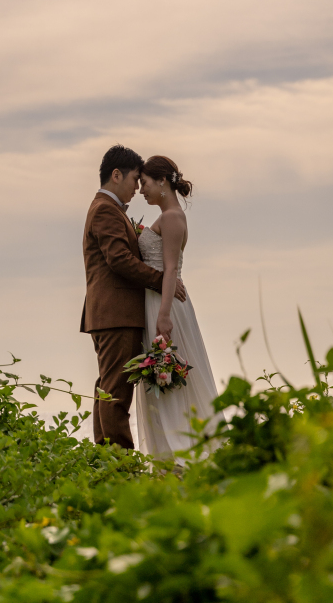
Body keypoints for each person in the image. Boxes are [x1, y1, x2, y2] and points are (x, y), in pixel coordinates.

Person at [80, 144, 186, 449]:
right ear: (116, 175)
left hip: (110, 313)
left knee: (107, 388)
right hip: (116, 313)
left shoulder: (106, 209)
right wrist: (162, 279)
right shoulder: (104, 209)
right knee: (116, 393)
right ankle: (120, 466)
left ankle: (106, 459)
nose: (137, 188)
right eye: (134, 181)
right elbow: (119, 260)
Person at [134, 155, 221, 460]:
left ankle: (181, 452)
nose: (141, 190)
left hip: (165, 304)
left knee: (170, 375)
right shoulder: (165, 215)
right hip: (158, 300)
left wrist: (164, 316)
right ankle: (169, 452)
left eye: (144, 183)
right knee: (160, 375)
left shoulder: (172, 217)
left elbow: (170, 269)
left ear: (161, 182)